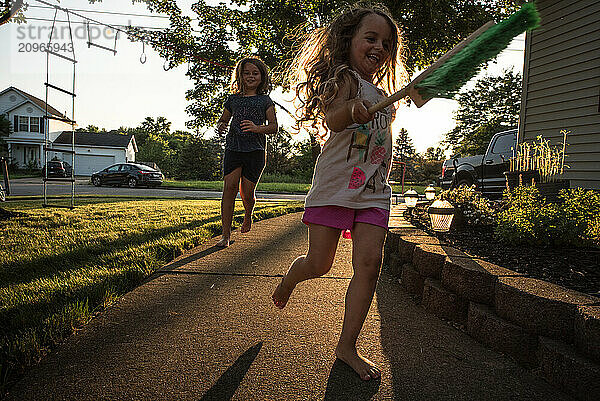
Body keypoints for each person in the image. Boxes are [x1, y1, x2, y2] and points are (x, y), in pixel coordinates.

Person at [271, 4, 409, 381]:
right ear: (349, 40)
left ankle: (347, 347)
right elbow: (332, 118)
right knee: (320, 264)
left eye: (387, 43)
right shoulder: (345, 79)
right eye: (371, 38)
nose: (379, 47)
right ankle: (289, 279)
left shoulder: (384, 94)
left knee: (369, 264)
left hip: (375, 191)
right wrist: (352, 109)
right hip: (335, 187)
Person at [215, 57, 278, 247]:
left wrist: (257, 128)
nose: (251, 76)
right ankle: (225, 235)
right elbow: (223, 119)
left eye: (255, 73)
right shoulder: (233, 99)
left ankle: (248, 214)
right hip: (234, 148)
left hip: (256, 151)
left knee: (247, 193)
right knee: (230, 188)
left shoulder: (265, 101)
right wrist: (221, 126)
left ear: (261, 77)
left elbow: (274, 127)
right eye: (247, 73)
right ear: (240, 76)